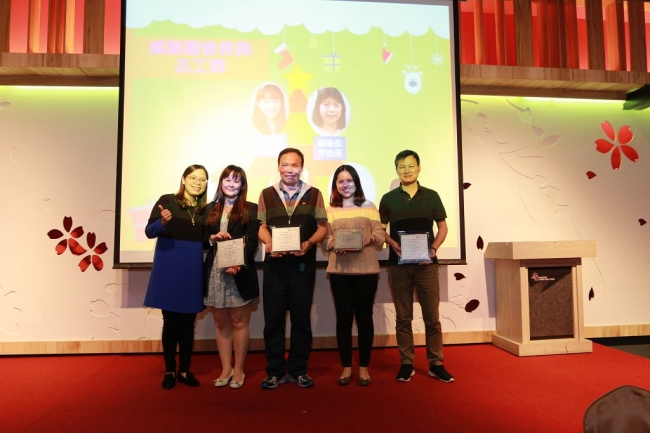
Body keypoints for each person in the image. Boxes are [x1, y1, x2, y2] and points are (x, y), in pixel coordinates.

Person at [378, 150, 454, 383]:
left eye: (411, 166)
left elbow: (442, 227)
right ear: (396, 170)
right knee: (403, 318)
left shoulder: (432, 196)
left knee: (432, 318)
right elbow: (380, 229)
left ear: (419, 168)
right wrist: (392, 243)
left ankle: (436, 363)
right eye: (402, 166)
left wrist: (433, 249)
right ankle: (407, 363)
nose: (407, 170)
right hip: (398, 266)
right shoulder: (388, 199)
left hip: (426, 265)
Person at [257, 147, 328, 389]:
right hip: (274, 268)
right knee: (273, 322)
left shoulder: (314, 194)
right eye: (285, 165)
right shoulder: (266, 194)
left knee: (301, 321)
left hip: (302, 267)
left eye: (295, 165)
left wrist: (309, 243)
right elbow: (261, 226)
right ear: (278, 167)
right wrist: (269, 242)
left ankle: (299, 370)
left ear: (301, 168)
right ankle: (275, 371)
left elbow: (323, 227)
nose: (290, 169)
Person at [143, 164, 209, 390]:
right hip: (169, 269)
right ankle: (170, 370)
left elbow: (205, 241)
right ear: (183, 179)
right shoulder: (167, 201)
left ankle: (185, 370)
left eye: (202, 179)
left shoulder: (204, 210)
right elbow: (149, 232)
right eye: (193, 178)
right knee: (170, 322)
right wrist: (162, 222)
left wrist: (214, 238)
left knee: (188, 324)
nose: (197, 182)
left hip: (192, 271)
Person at [322, 165, 385, 386]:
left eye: (349, 180)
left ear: (357, 182)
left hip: (366, 270)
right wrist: (334, 244)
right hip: (339, 271)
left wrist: (369, 238)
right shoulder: (329, 210)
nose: (345, 185)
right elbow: (324, 240)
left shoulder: (369, 206)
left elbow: (380, 235)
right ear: (335, 185)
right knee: (344, 319)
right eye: (341, 181)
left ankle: (364, 367)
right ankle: (346, 367)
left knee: (365, 318)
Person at [203, 165, 260, 390]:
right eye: (227, 179)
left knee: (239, 321)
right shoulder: (209, 208)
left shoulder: (251, 208)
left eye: (236, 180)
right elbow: (202, 239)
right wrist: (212, 237)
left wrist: (238, 262)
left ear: (242, 185)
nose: (231, 184)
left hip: (240, 271)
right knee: (221, 323)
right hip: (216, 272)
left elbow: (252, 242)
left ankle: (238, 369)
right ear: (221, 182)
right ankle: (225, 369)